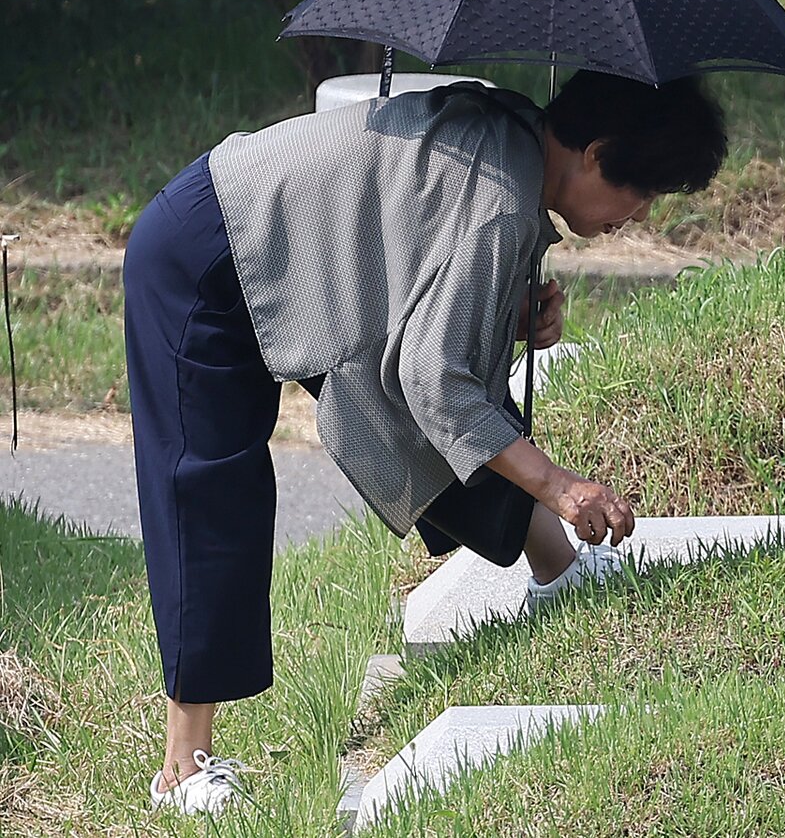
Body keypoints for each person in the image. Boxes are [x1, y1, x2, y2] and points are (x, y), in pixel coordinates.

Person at [122, 70, 727, 815]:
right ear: (596, 153)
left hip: (292, 255)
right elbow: (435, 386)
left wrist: (509, 310)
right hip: (206, 254)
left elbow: (432, 292)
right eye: (643, 193)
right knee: (211, 493)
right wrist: (561, 485)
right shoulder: (505, 201)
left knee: (444, 410)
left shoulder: (516, 143)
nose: (637, 216)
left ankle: (556, 565)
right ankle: (181, 771)